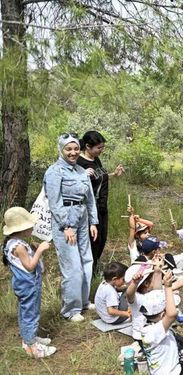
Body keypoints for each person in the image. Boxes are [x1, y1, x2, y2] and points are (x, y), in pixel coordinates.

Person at [44, 133, 99, 322]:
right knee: (72, 266)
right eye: (69, 149)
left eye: (76, 148)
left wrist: (93, 222)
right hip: (65, 221)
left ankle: (84, 301)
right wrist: (65, 225)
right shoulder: (54, 171)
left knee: (86, 260)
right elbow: (54, 202)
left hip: (82, 218)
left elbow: (90, 198)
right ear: (61, 149)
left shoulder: (81, 171)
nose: (73, 152)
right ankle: (71, 309)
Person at [2, 207, 56, 358]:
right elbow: (30, 266)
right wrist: (40, 251)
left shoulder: (13, 242)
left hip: (23, 285)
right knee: (31, 314)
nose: (33, 227)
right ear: (22, 229)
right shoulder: (19, 247)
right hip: (29, 285)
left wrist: (32, 248)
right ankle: (33, 347)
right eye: (30, 225)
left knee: (26, 312)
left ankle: (28, 339)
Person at [77, 131, 124, 271]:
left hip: (102, 206)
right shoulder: (79, 163)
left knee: (102, 238)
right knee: (93, 240)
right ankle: (88, 269)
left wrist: (114, 175)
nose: (101, 150)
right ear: (87, 146)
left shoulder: (95, 159)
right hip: (91, 208)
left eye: (103, 147)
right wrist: (81, 177)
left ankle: (95, 264)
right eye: (99, 148)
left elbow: (99, 177)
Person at [140, 274, 183, 375]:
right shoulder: (156, 331)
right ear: (163, 314)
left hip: (165, 365)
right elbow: (172, 314)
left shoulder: (146, 325)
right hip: (174, 373)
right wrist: (167, 287)